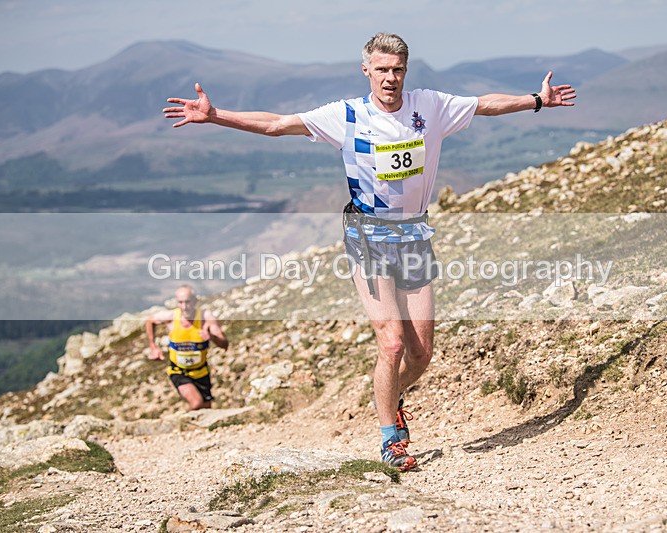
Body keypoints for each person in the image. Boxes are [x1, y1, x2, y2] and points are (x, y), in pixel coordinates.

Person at [164, 32, 575, 469]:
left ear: (406, 71)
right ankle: (389, 441)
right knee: (392, 343)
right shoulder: (347, 116)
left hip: (414, 237)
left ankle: (389, 395)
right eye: (382, 70)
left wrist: (536, 100)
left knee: (421, 354)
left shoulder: (429, 106)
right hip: (368, 237)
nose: (390, 78)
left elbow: (485, 104)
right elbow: (277, 124)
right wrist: (215, 116)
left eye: (397, 70)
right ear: (366, 71)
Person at [145, 285, 229, 410]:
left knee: (206, 408)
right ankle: (186, 420)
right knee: (196, 402)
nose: (184, 306)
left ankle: (192, 422)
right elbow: (150, 320)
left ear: (195, 301)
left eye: (188, 302)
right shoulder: (172, 317)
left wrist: (212, 337)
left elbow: (224, 344)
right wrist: (153, 346)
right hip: (179, 371)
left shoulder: (205, 317)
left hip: (201, 372)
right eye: (180, 302)